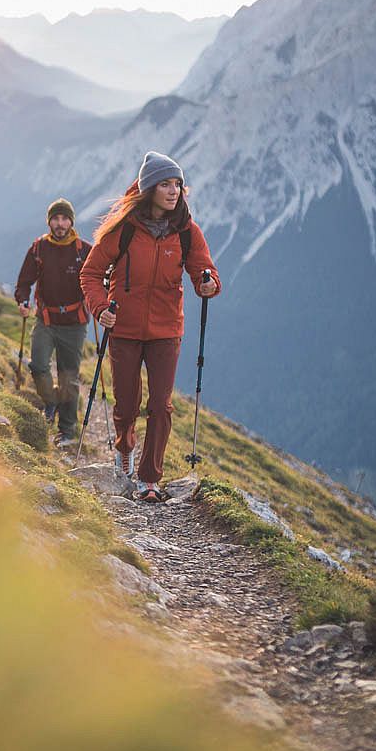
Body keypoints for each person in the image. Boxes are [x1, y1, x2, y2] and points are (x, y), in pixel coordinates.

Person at [80, 152, 221, 502]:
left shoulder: (187, 232)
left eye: (177, 184)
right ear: (148, 189)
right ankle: (124, 446)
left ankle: (149, 480)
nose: (174, 192)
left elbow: (207, 272)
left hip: (166, 331)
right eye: (165, 184)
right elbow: (91, 274)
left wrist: (208, 284)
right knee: (127, 403)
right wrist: (100, 309)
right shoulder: (124, 230)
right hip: (124, 329)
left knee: (161, 404)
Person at [14, 198, 93, 444]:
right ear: (49, 221)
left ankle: (67, 430)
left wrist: (100, 297)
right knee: (38, 364)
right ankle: (50, 402)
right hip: (46, 319)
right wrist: (23, 300)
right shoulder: (39, 248)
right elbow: (24, 282)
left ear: (71, 221)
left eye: (64, 219)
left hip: (74, 322)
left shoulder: (84, 250)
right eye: (55, 219)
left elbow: (99, 278)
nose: (60, 224)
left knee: (69, 376)